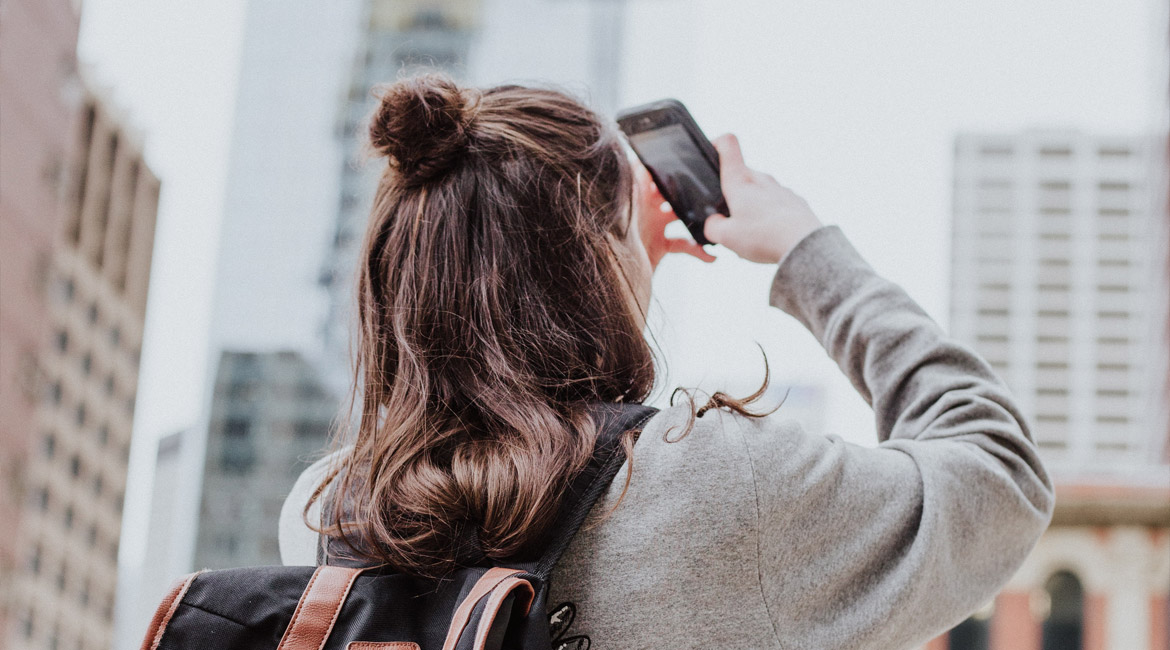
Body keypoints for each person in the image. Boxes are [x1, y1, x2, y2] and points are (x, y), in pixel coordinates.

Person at [279, 74, 1054, 649]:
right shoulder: (717, 483)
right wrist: (803, 248)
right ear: (595, 260)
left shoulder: (326, 511)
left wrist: (617, 261)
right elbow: (999, 477)